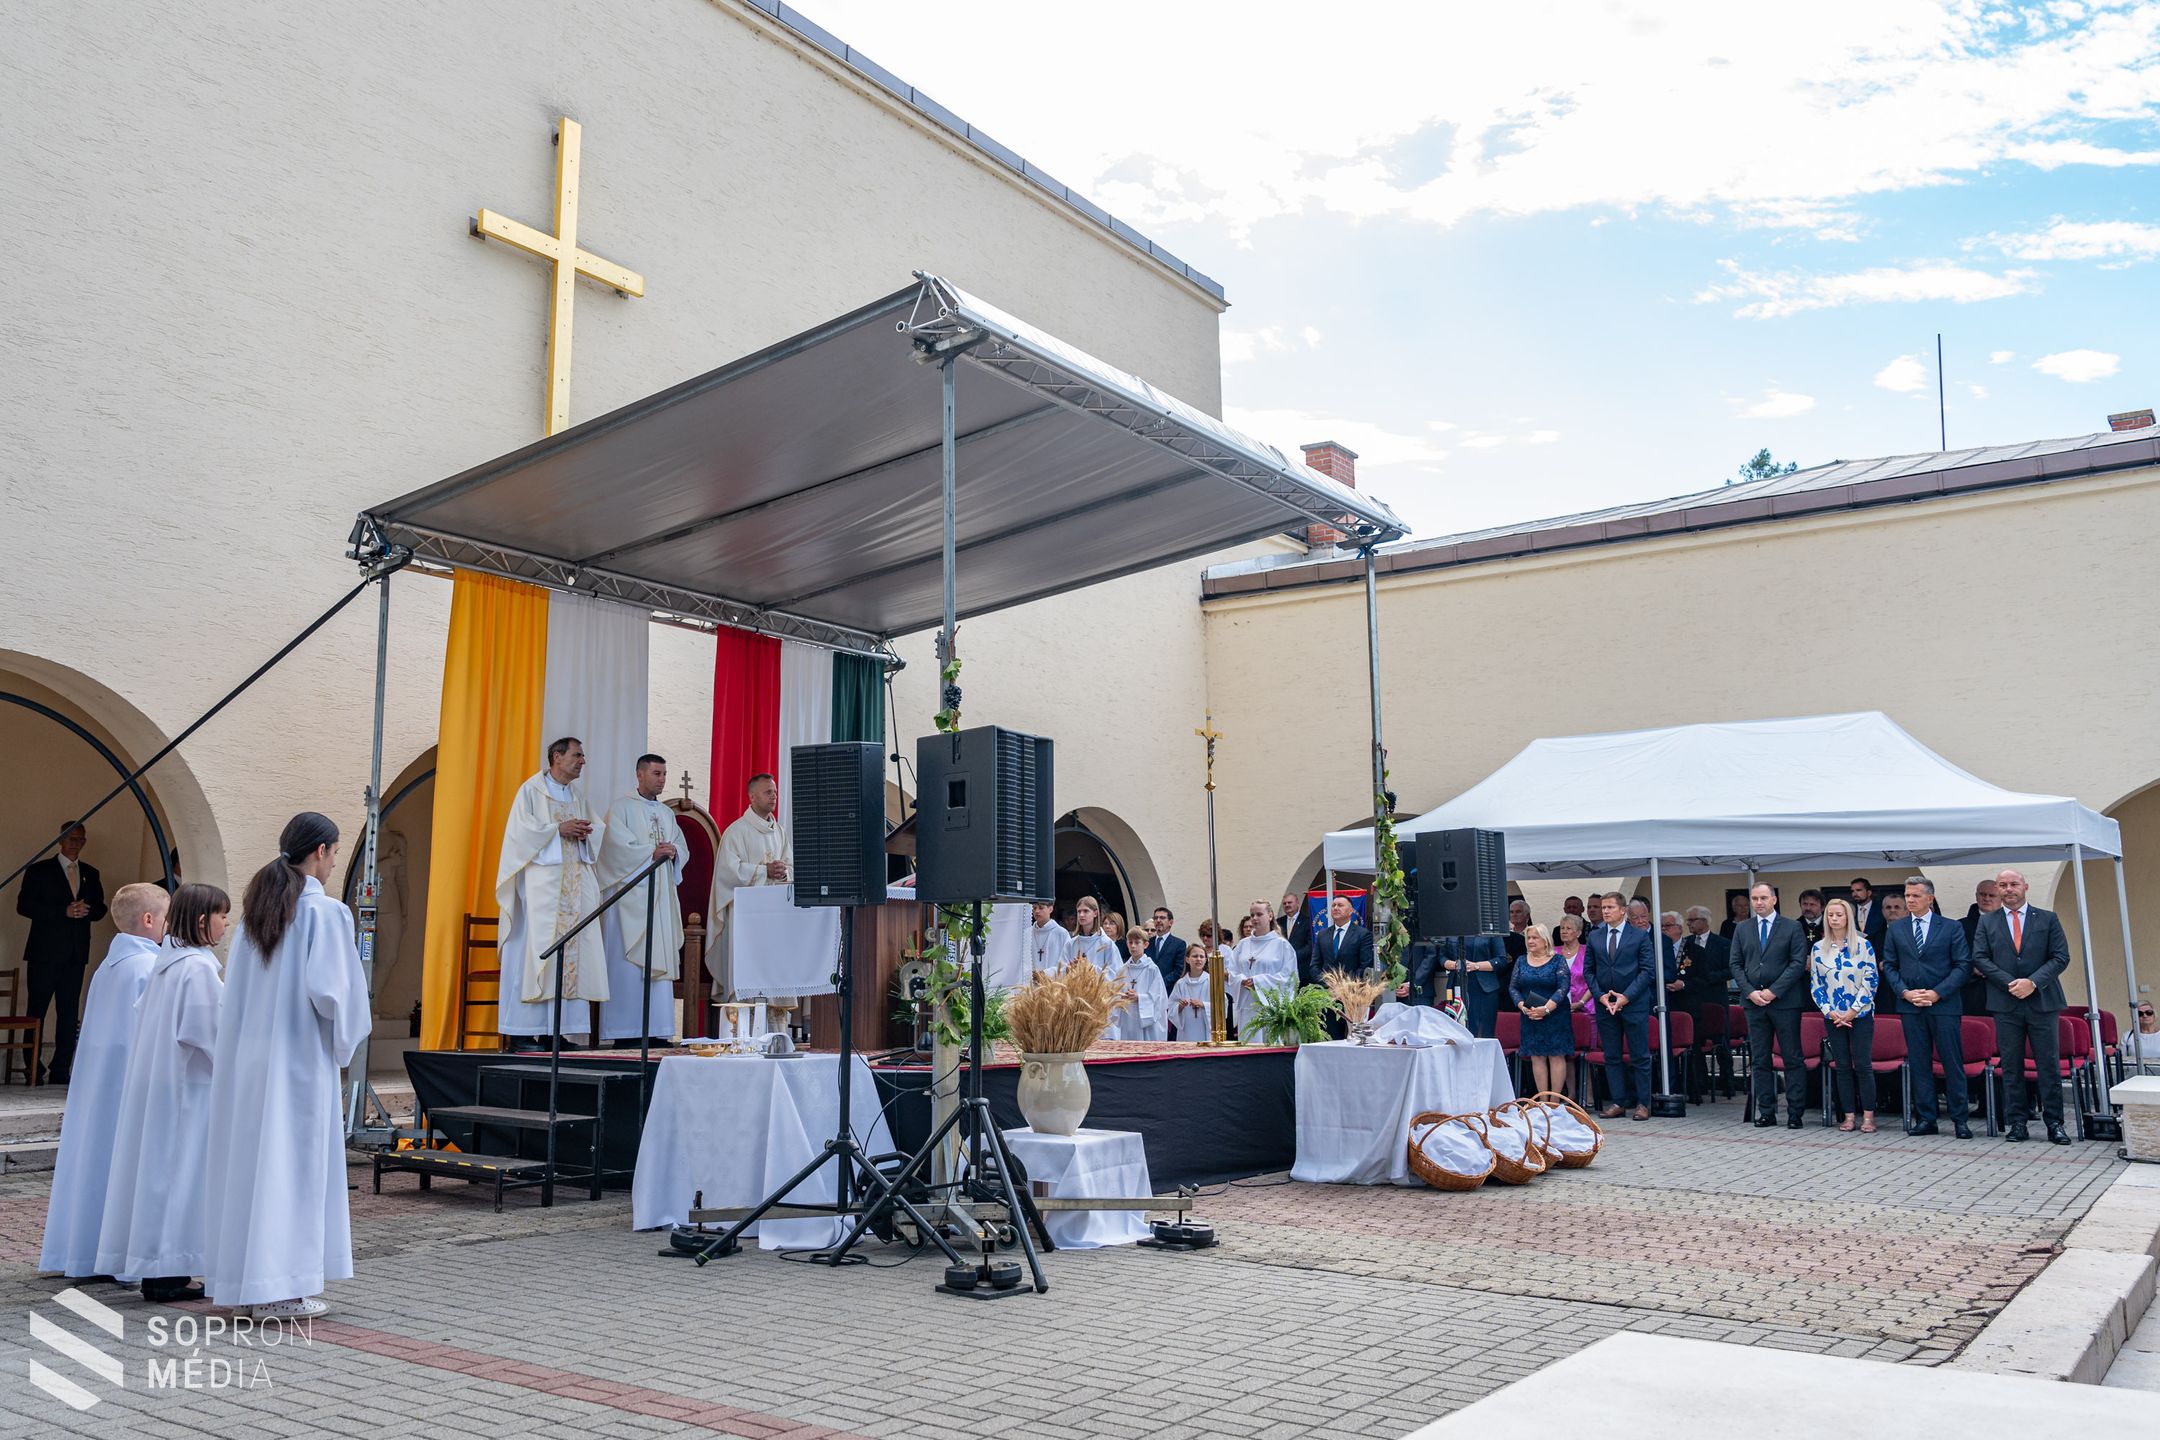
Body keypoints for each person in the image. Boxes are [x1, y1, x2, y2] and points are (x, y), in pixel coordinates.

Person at [203, 813, 370, 1319]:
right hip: (297, 1060)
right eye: (336, 852)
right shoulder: (326, 914)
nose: (336, 861)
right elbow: (334, 994)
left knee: (254, 1167)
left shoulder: (260, 912)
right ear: (320, 851)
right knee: (291, 1169)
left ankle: (243, 1280)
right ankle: (279, 1288)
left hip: (250, 1063)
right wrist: (346, 1043)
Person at [95, 883, 229, 1302]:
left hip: (166, 1087)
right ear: (203, 919)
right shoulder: (197, 969)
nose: (228, 923)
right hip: (192, 1091)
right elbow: (210, 1034)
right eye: (223, 915)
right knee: (183, 1179)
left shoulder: (166, 965)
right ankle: (171, 1271)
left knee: (161, 1178)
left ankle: (160, 1270)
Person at [38, 882, 168, 1279]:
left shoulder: (109, 967)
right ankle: (121, 1257)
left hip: (99, 1087)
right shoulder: (149, 968)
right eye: (167, 917)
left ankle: (85, 1252)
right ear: (148, 920)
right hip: (129, 1086)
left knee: (94, 1166)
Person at [496, 737, 608, 1047]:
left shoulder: (576, 796)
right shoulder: (531, 791)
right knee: (535, 953)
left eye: (583, 755)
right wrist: (557, 830)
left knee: (571, 955)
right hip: (541, 889)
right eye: (577, 755)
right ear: (556, 757)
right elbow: (519, 836)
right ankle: (523, 1033)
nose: (582, 761)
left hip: (573, 886)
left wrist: (587, 832)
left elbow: (596, 829)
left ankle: (558, 1032)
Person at [1971, 867, 2073, 1144]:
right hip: (2005, 1003)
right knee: (2012, 1066)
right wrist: (2011, 983)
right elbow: (1980, 958)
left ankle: (2055, 1124)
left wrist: (2032, 982)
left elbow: (2060, 957)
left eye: (2013, 884)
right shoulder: (1988, 922)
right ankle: (2017, 1123)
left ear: (2025, 887)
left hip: (2042, 1001)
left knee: (2048, 1064)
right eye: (2002, 885)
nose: (2008, 889)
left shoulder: (2048, 919)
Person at [596, 753, 684, 1047]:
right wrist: (650, 852)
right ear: (640, 774)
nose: (662, 780)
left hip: (659, 900)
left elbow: (681, 849)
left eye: (664, 774)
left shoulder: (668, 814)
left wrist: (673, 853)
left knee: (658, 969)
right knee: (628, 967)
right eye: (657, 774)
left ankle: (657, 1030)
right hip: (628, 903)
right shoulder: (620, 809)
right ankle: (625, 1033)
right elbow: (613, 849)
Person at [1880, 875, 1973, 1137]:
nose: (1910, 900)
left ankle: (1959, 1119)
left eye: (1915, 896)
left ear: (1929, 898)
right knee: (1919, 1063)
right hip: (1911, 1006)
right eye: (1907, 896)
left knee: (1951, 1062)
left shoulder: (1951, 927)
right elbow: (1890, 965)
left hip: (1943, 1005)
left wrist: (1937, 993)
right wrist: (1905, 993)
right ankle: (1926, 1118)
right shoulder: (1897, 929)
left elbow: (1962, 965)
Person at [16, 820, 109, 1083]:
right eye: (70, 839)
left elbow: (101, 908)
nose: (75, 844)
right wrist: (63, 912)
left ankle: (61, 1070)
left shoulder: (91, 873)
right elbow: (24, 906)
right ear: (60, 840)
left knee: (68, 1013)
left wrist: (86, 910)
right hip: (43, 953)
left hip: (75, 953)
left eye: (80, 839)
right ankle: (33, 1069)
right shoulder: (39, 870)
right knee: (37, 1011)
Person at [1730, 882, 1810, 1129]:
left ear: (1774, 900)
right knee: (1760, 1059)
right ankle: (1766, 1111)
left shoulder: (1792, 927)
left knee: (1792, 1057)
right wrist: (1751, 991)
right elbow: (1735, 964)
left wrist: (1774, 991)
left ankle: (1795, 1112)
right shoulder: (1743, 929)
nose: (1758, 903)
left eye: (1763, 898)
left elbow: (1797, 963)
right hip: (1754, 1003)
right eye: (1755, 898)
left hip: (1784, 1002)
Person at [710, 770, 790, 1005]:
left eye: (775, 792)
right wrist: (764, 870)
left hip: (775, 914)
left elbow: (791, 866)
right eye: (767, 792)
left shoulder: (780, 833)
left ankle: (775, 1029)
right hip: (745, 916)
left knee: (774, 973)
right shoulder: (736, 831)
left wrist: (783, 871)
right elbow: (727, 872)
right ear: (752, 797)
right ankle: (742, 1026)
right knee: (748, 969)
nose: (773, 797)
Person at [1811, 898, 1879, 1134]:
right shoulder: (1818, 947)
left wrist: (1853, 1011)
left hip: (1859, 1015)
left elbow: (1871, 981)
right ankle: (1849, 1115)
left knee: (1862, 1065)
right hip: (1833, 1016)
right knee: (1841, 1066)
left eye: (1839, 914)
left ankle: (1868, 1116)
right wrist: (1830, 1011)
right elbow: (1816, 985)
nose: (1834, 919)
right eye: (1830, 915)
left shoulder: (1863, 945)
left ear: (1848, 917)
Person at [1588, 891, 1654, 1120]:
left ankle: (1643, 1103)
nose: (1605, 911)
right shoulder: (1595, 936)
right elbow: (1589, 971)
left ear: (1622, 910)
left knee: (1639, 1055)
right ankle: (1618, 1101)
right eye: (1603, 908)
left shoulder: (1639, 936)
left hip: (1633, 1003)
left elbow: (1647, 971)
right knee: (1612, 1055)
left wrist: (1626, 997)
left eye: (1609, 907)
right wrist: (1600, 996)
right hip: (1606, 1005)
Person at [1510, 924, 1575, 1095]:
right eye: (1528, 938)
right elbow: (1513, 988)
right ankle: (1543, 1102)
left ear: (1545, 941)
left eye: (1535, 938)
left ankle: (1554, 1103)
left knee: (1556, 1055)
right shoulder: (1521, 960)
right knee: (1536, 1055)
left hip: (1555, 1015)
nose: (1530, 941)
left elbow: (1563, 987)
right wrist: (1522, 1007)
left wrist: (1546, 1009)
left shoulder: (1557, 960)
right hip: (1529, 1015)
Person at [1675, 906, 1731, 1101]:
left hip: (1715, 996)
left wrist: (1709, 977)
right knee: (1696, 1041)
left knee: (1721, 1041)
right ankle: (1701, 1083)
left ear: (1705, 921)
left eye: (1692, 920)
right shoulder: (1686, 944)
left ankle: (1728, 1082)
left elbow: (1730, 969)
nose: (1689, 924)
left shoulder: (1722, 943)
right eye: (1688, 921)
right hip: (1694, 998)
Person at [1227, 899, 1300, 1039]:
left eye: (1259, 914)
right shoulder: (1242, 945)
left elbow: (1290, 977)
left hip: (1269, 1007)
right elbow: (1232, 971)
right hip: (1247, 1005)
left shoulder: (1281, 945)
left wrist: (1258, 982)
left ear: (1270, 916)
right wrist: (1241, 980)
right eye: (1252, 915)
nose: (1254, 918)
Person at [1108, 925, 1169, 1041]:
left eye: (1137, 942)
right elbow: (1115, 993)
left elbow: (1159, 998)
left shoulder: (1152, 969)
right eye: (1130, 942)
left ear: (1145, 945)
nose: (1133, 946)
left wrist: (1139, 997)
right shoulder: (1123, 969)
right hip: (1128, 1017)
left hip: (1145, 1020)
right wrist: (1121, 996)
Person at [1445, 933, 1510, 1039]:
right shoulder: (1453, 929)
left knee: (1483, 1034)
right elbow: (1442, 957)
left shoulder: (1489, 931)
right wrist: (1454, 964)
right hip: (1457, 986)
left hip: (1484, 990)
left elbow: (1501, 960)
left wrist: (1476, 966)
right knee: (1458, 1031)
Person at [1959, 878, 2003, 1014]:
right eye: (1983, 894)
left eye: (1992, 895)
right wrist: (1971, 968)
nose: (1987, 899)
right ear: (1976, 896)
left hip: (2003, 991)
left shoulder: (2012, 924)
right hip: (1972, 993)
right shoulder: (1959, 926)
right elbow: (1951, 957)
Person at [1169, 944, 1211, 1042]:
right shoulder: (1181, 983)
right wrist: (1180, 1006)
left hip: (1205, 1029)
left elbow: (1222, 1006)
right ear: (1187, 959)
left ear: (1205, 960)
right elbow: (1171, 1008)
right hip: (1186, 1031)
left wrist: (1203, 1005)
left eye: (1202, 956)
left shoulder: (1212, 981)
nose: (1198, 959)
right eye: (1195, 956)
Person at [1553, 915, 1592, 1016]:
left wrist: (1581, 1002)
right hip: (1558, 1010)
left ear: (1578, 933)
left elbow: (1595, 980)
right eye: (1562, 928)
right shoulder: (1553, 953)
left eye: (1568, 928)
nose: (1564, 931)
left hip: (1586, 1010)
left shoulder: (1588, 952)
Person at [1069, 896, 1118, 974]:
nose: (1081, 915)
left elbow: (1116, 973)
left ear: (1095, 913)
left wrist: (1090, 968)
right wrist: (1069, 968)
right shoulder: (1071, 943)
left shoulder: (1106, 943)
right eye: (1079, 911)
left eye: (1086, 911)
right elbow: (1061, 970)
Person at [1144, 907, 1188, 991]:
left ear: (1170, 922)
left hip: (1167, 989)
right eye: (1156, 918)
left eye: (1162, 918)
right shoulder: (1147, 943)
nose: (1158, 920)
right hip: (1147, 989)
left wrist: (1160, 983)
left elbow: (1178, 970)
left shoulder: (1179, 944)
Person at [1026, 900, 1072, 974]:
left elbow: (1067, 963)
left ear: (1050, 909)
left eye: (1041, 908)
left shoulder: (1062, 933)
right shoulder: (1027, 933)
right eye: (1034, 908)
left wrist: (1046, 974)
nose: (1037, 911)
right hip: (1030, 983)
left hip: (1053, 983)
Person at [1849, 878, 1888, 955]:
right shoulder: (1849, 908)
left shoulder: (1881, 908)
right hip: (1856, 955)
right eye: (1852, 891)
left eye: (1858, 890)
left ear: (1869, 892)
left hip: (1878, 954)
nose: (1855, 894)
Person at [1277, 891, 1312, 973]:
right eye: (1284, 903)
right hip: (1282, 968)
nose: (1287, 905)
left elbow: (1310, 946)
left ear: (1297, 903)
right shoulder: (1278, 923)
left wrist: (1293, 956)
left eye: (1289, 902)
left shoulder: (1308, 922)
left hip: (1301, 967)